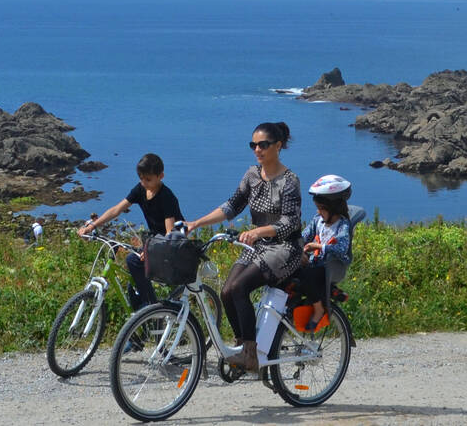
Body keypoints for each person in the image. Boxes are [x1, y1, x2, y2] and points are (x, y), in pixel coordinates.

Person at [182, 122, 301, 372]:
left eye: (263, 145)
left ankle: (251, 355)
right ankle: (241, 347)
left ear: (278, 146)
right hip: (257, 246)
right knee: (226, 292)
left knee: (239, 287)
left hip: (283, 248)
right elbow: (231, 207)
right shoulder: (252, 175)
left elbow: (291, 223)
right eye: (253, 145)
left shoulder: (290, 181)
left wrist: (258, 231)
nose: (257, 149)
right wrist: (196, 223)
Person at [77, 153, 183, 310]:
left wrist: (152, 250)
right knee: (133, 286)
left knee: (133, 261)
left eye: (148, 179)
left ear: (161, 176)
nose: (144, 182)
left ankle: (152, 311)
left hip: (172, 244)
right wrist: (93, 225)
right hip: (155, 241)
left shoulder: (166, 197)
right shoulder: (141, 189)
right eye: (141, 178)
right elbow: (117, 209)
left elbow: (170, 233)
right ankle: (141, 322)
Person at [290, 174, 354, 332]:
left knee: (307, 276)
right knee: (291, 271)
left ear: (334, 209)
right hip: (315, 264)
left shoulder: (342, 226)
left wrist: (318, 246)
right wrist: (298, 247)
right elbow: (304, 237)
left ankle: (318, 309)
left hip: (331, 267)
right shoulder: (318, 220)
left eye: (322, 209)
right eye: (317, 208)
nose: (318, 212)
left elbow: (341, 249)